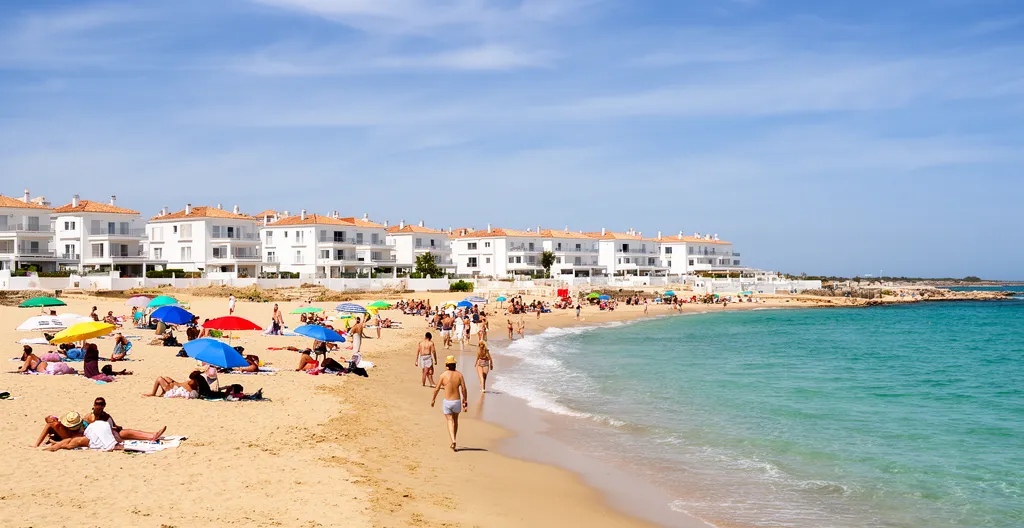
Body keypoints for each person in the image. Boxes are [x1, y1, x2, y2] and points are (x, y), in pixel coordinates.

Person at [431, 355, 468, 451]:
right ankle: (453, 440)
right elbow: (463, 389)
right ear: (454, 365)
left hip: (447, 402)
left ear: (447, 365)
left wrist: (433, 399)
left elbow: (437, 388)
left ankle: (453, 439)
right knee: (455, 421)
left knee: (449, 420)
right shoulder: (459, 375)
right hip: (457, 401)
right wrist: (465, 400)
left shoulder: (443, 375)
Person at [86, 397, 166, 441]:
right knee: (129, 433)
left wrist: (116, 427)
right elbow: (96, 428)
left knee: (130, 431)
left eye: (101, 404)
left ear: (104, 405)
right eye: (97, 404)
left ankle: (153, 434)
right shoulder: (92, 416)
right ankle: (152, 436)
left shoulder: (105, 414)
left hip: (113, 431)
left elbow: (113, 424)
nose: (99, 406)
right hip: (107, 436)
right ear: (94, 405)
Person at [44, 419, 124, 452]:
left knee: (71, 442)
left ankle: (55, 446)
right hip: (96, 432)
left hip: (88, 435)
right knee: (71, 442)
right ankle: (56, 445)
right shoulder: (86, 422)